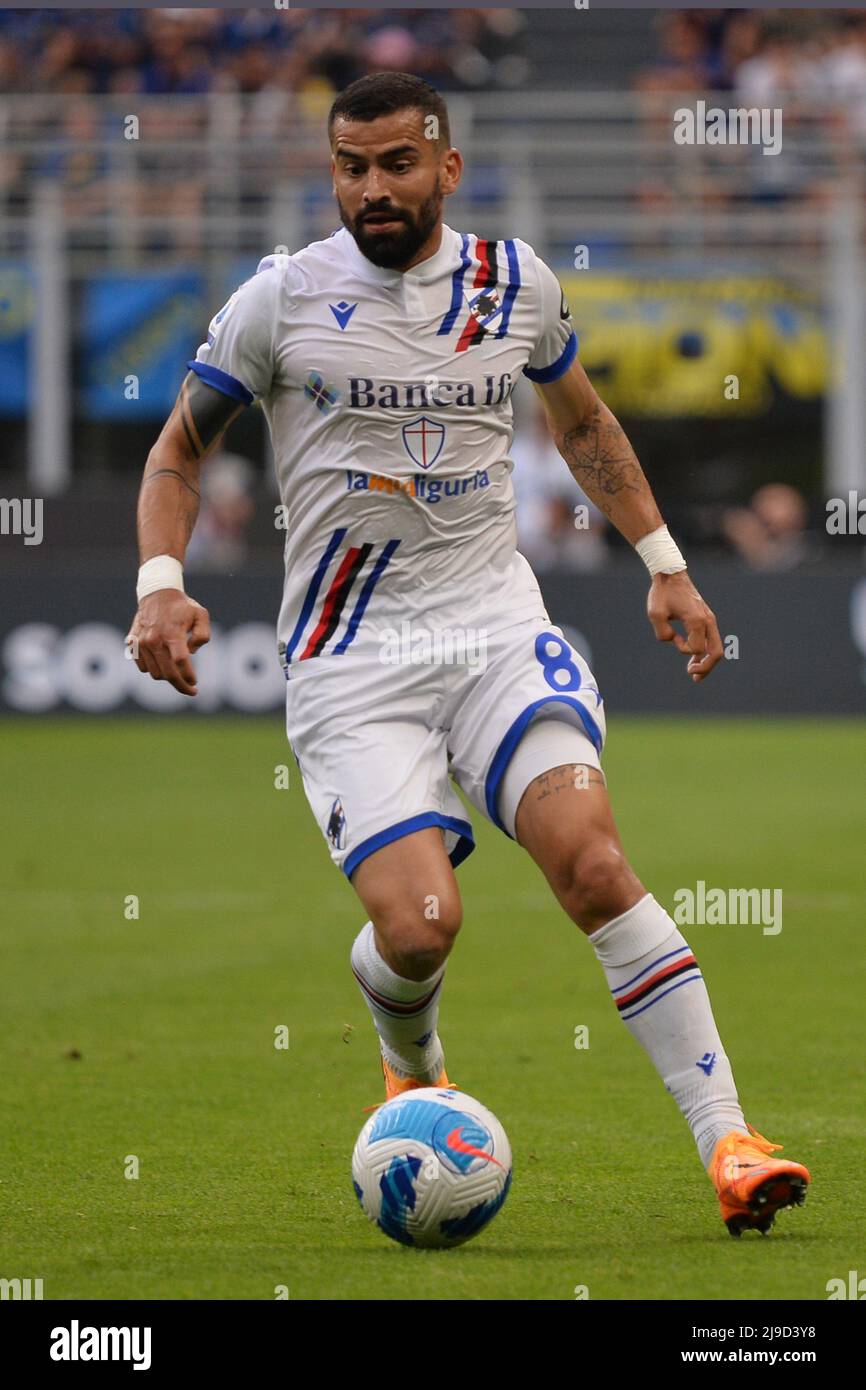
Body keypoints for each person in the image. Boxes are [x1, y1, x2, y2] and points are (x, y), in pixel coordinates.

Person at [127, 72, 810, 1237]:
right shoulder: (280, 299)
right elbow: (178, 450)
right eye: (351, 166)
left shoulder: (513, 284)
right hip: (352, 662)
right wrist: (161, 585)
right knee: (419, 927)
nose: (372, 188)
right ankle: (412, 1064)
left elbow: (582, 423)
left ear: (447, 169)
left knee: (589, 859)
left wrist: (665, 564)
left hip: (493, 629)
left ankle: (730, 1142)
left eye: (396, 163)